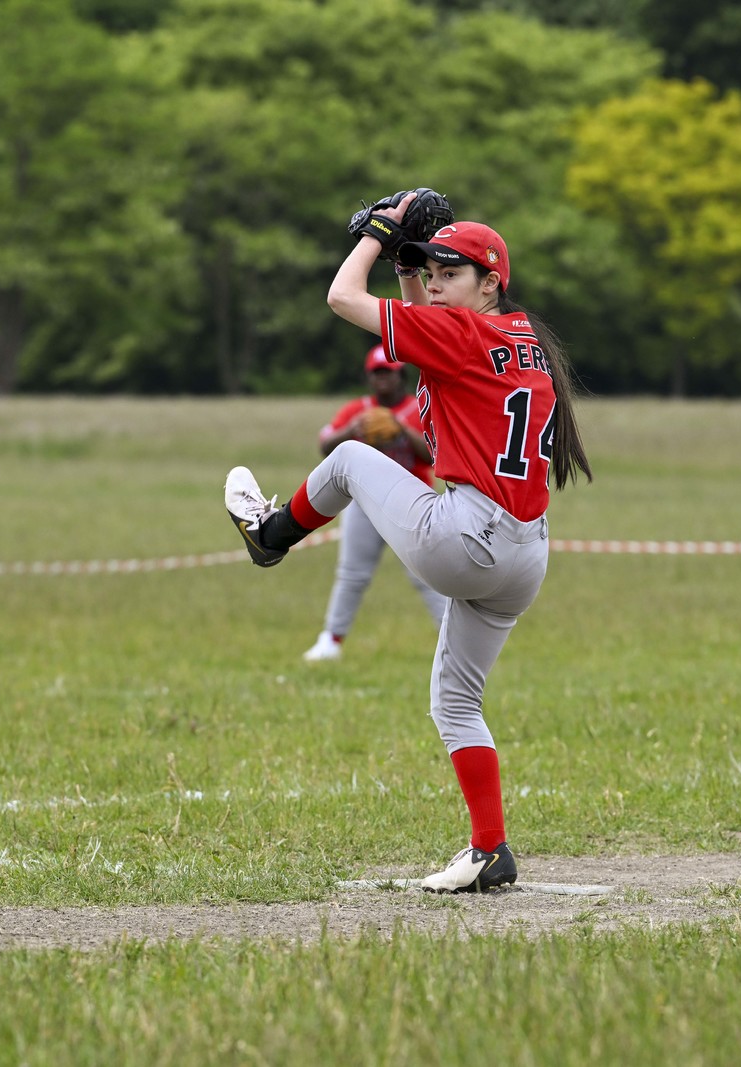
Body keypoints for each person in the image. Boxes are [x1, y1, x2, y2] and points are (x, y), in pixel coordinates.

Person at [224, 197, 591, 893]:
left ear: (491, 283)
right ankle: (491, 850)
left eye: (454, 271)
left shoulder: (462, 334)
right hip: (524, 554)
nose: (439, 280)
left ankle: (270, 536)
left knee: (351, 462)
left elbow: (340, 297)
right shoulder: (521, 340)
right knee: (455, 703)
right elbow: (417, 329)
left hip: (468, 537)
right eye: (434, 269)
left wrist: (373, 237)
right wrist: (407, 261)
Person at [302, 344, 448, 662]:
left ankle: (451, 639)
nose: (383, 381)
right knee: (352, 573)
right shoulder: (359, 410)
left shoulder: (418, 407)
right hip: (363, 502)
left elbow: (434, 455)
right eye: (377, 374)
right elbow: (325, 446)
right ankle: (331, 640)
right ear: (369, 377)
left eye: (389, 375)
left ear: (401, 376)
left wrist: (402, 430)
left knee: (428, 574)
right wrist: (352, 431)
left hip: (412, 502)